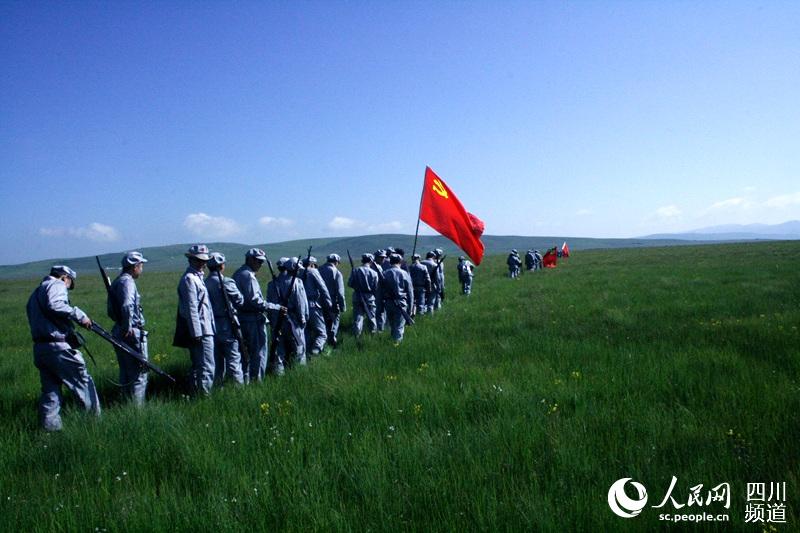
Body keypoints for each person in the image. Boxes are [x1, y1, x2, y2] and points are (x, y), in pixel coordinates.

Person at [26, 265, 100, 431]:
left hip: (41, 349)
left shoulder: (34, 294)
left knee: (51, 393)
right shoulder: (57, 285)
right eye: (69, 284)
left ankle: (50, 432)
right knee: (83, 384)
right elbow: (55, 305)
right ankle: (94, 426)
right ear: (65, 277)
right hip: (59, 348)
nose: (67, 287)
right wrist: (80, 316)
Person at [233, 248, 283, 381]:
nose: (260, 265)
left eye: (261, 262)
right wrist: (275, 307)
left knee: (246, 353)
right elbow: (255, 300)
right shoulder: (248, 275)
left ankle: (246, 380)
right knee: (259, 353)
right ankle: (257, 381)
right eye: (258, 261)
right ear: (250, 259)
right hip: (253, 319)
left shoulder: (238, 273)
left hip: (242, 318)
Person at [107, 251, 149, 405]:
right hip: (131, 332)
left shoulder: (117, 281)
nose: (142, 269)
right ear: (135, 266)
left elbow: (110, 311)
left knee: (126, 372)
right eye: (141, 265)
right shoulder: (127, 282)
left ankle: (126, 406)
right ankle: (137, 411)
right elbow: (127, 305)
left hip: (119, 329)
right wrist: (127, 325)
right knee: (139, 374)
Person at [177, 244, 216, 395]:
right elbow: (191, 308)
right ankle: (204, 396)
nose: (203, 263)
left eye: (204, 260)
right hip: (201, 330)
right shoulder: (189, 279)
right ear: (191, 260)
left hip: (205, 328)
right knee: (206, 365)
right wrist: (196, 333)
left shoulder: (196, 278)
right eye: (199, 260)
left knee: (200, 365)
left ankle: (195, 393)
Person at [205, 252, 245, 386]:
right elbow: (240, 300)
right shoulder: (227, 282)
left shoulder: (205, 283)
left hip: (211, 325)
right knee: (234, 359)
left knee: (216, 361)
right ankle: (238, 388)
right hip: (227, 324)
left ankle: (217, 388)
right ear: (221, 266)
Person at [268, 257, 309, 370]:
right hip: (293, 320)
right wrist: (303, 319)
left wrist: (272, 321)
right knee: (299, 349)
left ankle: (278, 373)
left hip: (277, 321)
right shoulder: (297, 282)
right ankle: (300, 373)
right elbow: (300, 303)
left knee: (279, 350)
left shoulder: (272, 283)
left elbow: (269, 305)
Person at [301, 256, 333, 357]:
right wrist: (329, 303)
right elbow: (323, 288)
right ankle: (315, 352)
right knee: (322, 333)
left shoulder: (298, 273)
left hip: (301, 306)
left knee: (306, 332)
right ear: (312, 264)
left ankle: (306, 353)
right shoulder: (313, 272)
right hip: (313, 305)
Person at [381, 253, 414, 344]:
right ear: (400, 262)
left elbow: (380, 292)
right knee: (399, 327)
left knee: (392, 325)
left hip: (388, 303)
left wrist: (380, 307)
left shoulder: (384, 273)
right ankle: (396, 345)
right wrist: (410, 309)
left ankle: (393, 342)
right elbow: (410, 292)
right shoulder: (404, 273)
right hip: (401, 303)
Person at [318, 254, 346, 348]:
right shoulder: (337, 273)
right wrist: (342, 307)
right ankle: (330, 345)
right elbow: (340, 293)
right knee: (333, 325)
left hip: (319, 302)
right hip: (333, 303)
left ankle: (322, 344)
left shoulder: (318, 270)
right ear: (336, 262)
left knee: (322, 324)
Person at [349, 253, 379, 336]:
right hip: (369, 298)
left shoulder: (355, 270)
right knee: (372, 318)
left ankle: (356, 336)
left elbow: (350, 283)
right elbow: (375, 288)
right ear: (371, 261)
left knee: (358, 319)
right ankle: (373, 335)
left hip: (357, 297)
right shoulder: (374, 273)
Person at [372, 249, 387, 331]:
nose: (383, 259)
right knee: (380, 313)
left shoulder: (376, 266)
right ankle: (380, 330)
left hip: (376, 293)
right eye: (381, 258)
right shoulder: (377, 267)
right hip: (378, 293)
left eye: (383, 258)